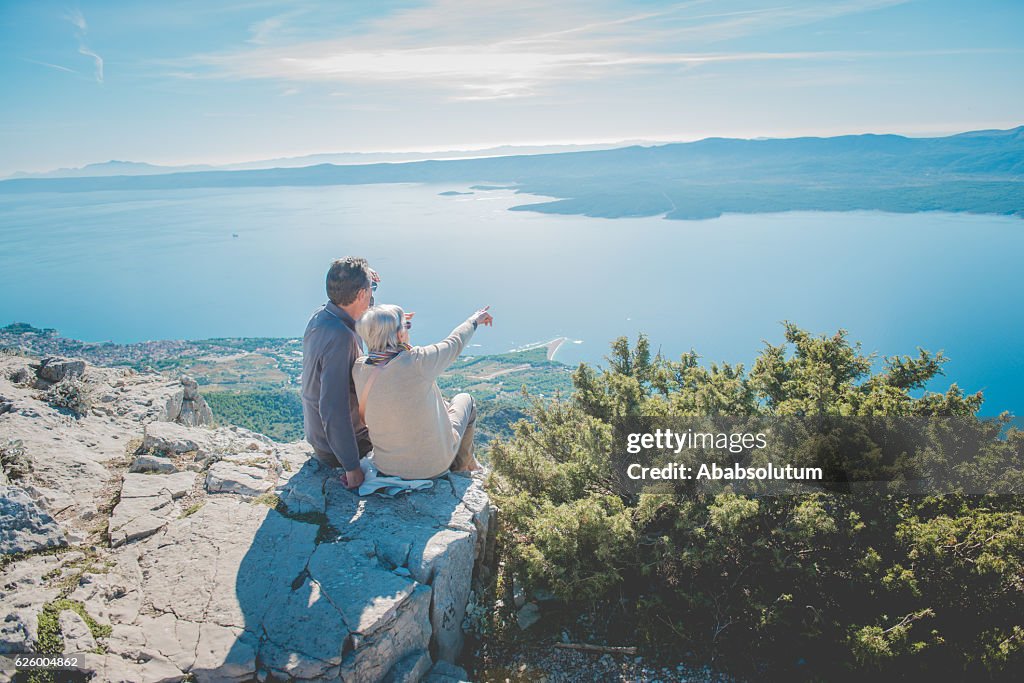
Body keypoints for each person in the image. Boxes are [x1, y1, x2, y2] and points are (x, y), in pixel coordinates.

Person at [352, 304, 494, 480]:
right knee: (466, 400)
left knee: (440, 403)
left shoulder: (358, 368)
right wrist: (475, 319)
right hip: (432, 467)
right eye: (407, 326)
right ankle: (463, 466)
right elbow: (455, 342)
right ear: (400, 334)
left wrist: (389, 323)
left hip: (387, 467)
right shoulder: (418, 361)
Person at [301, 256, 380, 489]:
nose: (372, 296)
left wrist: (368, 281)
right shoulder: (341, 338)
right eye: (369, 290)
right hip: (340, 449)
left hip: (321, 437)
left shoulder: (323, 315)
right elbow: (333, 408)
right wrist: (352, 467)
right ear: (360, 295)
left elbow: (361, 306)